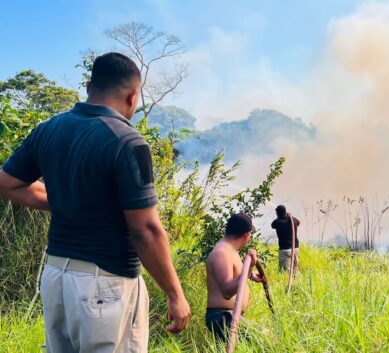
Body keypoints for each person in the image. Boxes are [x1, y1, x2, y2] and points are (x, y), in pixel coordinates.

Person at [0, 52, 190, 353]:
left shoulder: (49, 129)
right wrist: (175, 293)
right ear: (133, 96)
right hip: (105, 286)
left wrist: (66, 199)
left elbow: (7, 183)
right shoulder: (128, 142)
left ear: (89, 86)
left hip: (56, 277)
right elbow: (146, 231)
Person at [205, 213, 265, 342]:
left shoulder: (230, 250)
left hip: (230, 316)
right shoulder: (222, 253)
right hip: (223, 316)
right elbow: (226, 291)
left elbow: (235, 277)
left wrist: (251, 275)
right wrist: (248, 268)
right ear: (246, 236)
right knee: (265, 340)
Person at [271, 205, 300, 271]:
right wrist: (290, 216)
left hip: (285, 250)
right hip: (295, 248)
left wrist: (281, 216)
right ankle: (295, 280)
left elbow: (272, 225)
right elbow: (298, 222)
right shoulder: (293, 221)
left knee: (284, 272)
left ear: (278, 213)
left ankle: (288, 281)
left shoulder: (278, 222)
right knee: (295, 270)